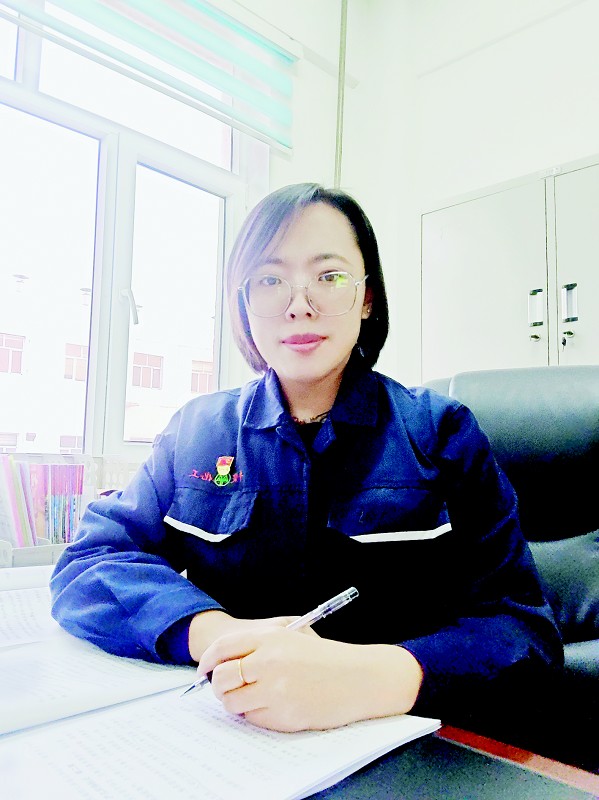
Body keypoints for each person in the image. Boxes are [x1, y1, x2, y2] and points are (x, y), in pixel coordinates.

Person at [51, 183, 562, 735]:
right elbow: (91, 560)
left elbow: (525, 631)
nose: (300, 305)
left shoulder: (440, 432)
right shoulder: (197, 430)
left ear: (367, 298)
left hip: (407, 744)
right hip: (228, 733)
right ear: (244, 303)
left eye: (330, 276)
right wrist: (218, 634)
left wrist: (365, 679)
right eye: (271, 280)